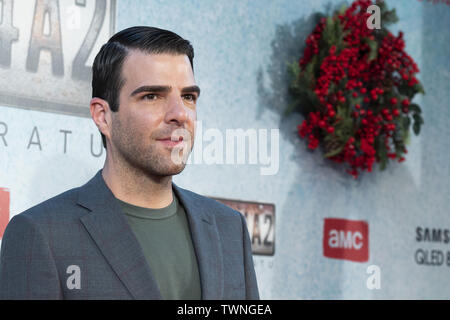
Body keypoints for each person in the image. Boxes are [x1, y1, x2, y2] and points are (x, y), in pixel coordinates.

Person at [0, 26, 259, 300]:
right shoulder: (42, 234)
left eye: (188, 97)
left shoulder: (229, 228)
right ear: (103, 116)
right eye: (152, 96)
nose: (180, 114)